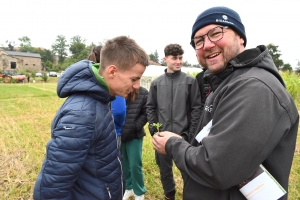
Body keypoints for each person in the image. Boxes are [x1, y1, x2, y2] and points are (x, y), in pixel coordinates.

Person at [152, 6, 299, 200]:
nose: (206, 45)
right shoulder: (224, 82)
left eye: (215, 33)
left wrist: (173, 144)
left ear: (241, 38)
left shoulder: (255, 87)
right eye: (198, 41)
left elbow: (215, 167)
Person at [33, 36, 149, 200]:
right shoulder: (82, 115)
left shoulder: (102, 98)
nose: (137, 86)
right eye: (134, 79)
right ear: (112, 71)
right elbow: (52, 189)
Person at [146, 44, 202, 200]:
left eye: (180, 58)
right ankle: (169, 195)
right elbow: (150, 107)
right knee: (164, 170)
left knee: (188, 170)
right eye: (174, 58)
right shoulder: (156, 83)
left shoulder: (190, 81)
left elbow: (196, 109)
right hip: (162, 136)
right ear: (165, 59)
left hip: (182, 137)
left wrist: (189, 134)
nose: (178, 61)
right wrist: (153, 129)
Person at [87, 45, 126, 150]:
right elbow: (119, 111)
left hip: (87, 133)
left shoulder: (86, 78)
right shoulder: (113, 80)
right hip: (110, 134)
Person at [121, 87, 148, 200]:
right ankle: (129, 188)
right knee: (124, 164)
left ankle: (139, 192)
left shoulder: (143, 93)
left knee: (135, 164)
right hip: (120, 134)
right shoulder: (118, 90)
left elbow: (146, 112)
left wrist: (135, 126)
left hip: (134, 135)